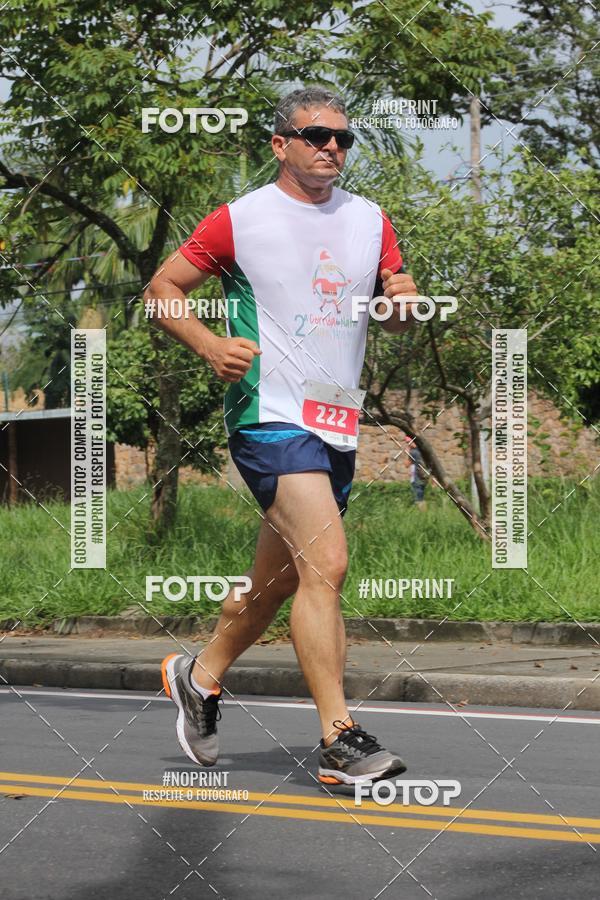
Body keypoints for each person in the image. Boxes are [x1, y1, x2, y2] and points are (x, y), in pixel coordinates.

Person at [145, 86, 420, 785]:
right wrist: (207, 344)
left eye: (342, 138)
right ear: (280, 144)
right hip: (268, 413)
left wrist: (402, 306)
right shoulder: (243, 218)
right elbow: (162, 289)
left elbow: (397, 299)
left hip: (337, 417)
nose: (331, 147)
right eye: (315, 135)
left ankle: (198, 677)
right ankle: (339, 739)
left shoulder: (370, 219)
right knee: (327, 563)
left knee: (279, 581)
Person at [405, 435, 428, 509]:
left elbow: (406, 465)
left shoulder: (412, 452)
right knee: (421, 495)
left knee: (418, 497)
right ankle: (424, 512)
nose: (408, 444)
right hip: (424, 476)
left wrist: (407, 452)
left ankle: (421, 513)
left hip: (416, 478)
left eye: (408, 442)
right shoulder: (423, 450)